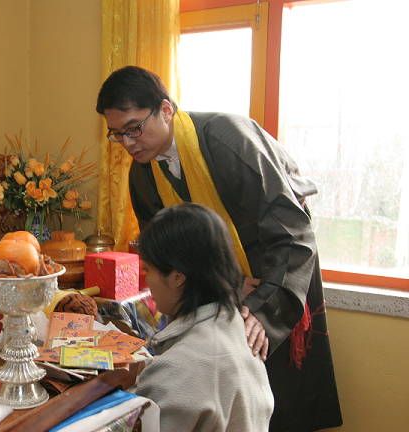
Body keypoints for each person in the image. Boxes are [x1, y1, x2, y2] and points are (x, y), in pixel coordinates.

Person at [96, 66, 342, 431]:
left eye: (134, 127)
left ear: (166, 110)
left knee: (278, 393)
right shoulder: (142, 175)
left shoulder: (228, 138)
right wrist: (227, 280)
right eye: (117, 134)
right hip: (222, 290)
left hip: (276, 277)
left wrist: (263, 311)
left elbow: (291, 229)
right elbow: (168, 253)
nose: (129, 143)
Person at [134, 203, 274, 432]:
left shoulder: (179, 369)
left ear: (178, 277)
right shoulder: (238, 329)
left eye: (148, 269)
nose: (146, 280)